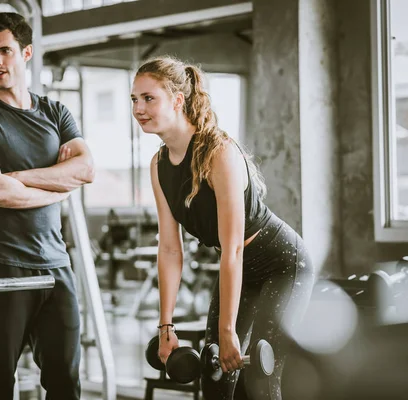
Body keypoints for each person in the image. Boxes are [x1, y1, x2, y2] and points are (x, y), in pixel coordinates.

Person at [130, 56, 316, 399]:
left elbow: (232, 248)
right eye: (134, 99)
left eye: (148, 98)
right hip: (238, 266)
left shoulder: (219, 153)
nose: (139, 108)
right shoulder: (158, 165)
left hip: (282, 264)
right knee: (214, 377)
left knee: (260, 381)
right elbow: (170, 247)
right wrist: (165, 324)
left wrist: (228, 329)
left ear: (177, 99)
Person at [0, 12, 94, 400]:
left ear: (26, 52)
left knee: (66, 383)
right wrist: (56, 185)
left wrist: (15, 177)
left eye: (5, 51)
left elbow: (85, 169)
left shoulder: (55, 112)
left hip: (56, 267)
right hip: (3, 265)